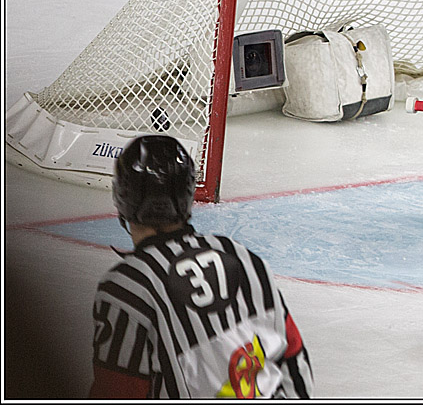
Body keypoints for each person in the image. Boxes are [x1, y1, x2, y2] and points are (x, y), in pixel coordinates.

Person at [89, 135, 314, 398]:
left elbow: (118, 393)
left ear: (123, 199)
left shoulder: (127, 287)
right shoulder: (241, 255)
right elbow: (294, 357)